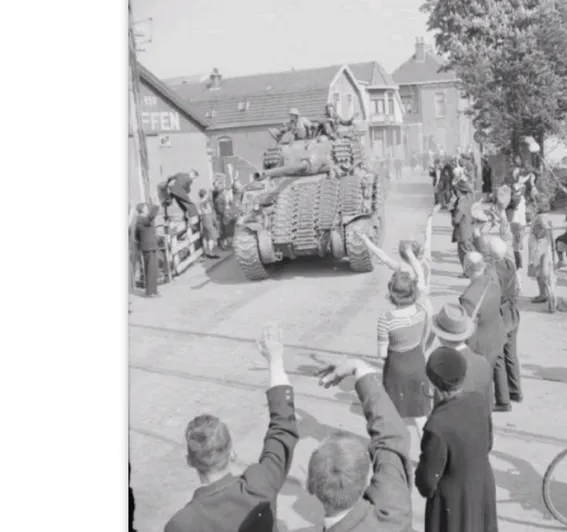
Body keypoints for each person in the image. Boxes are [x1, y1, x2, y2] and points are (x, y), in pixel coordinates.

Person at [164, 323, 299, 532]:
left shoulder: (181, 524)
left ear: (190, 461)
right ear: (232, 452)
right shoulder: (259, 485)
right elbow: (283, 428)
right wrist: (275, 361)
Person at [310, 358, 413, 531]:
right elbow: (391, 436)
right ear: (364, 478)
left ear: (310, 485)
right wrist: (359, 368)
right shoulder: (394, 509)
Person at [416, 347, 498, 532]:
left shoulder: (437, 425)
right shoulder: (479, 401)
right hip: (482, 484)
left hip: (452, 503)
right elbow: (488, 444)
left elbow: (427, 482)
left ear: (434, 384)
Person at [375, 271, 432, 458]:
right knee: (419, 415)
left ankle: (397, 454)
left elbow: (382, 354)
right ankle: (429, 453)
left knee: (393, 415)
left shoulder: (386, 318)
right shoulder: (420, 311)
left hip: (396, 369)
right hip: (417, 363)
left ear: (392, 292)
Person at [429, 302, 492, 408]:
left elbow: (440, 410)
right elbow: (489, 402)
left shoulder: (442, 369)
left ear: (439, 336)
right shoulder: (483, 362)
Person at [486, 236, 522, 412]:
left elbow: (492, 295)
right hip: (512, 311)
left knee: (498, 356)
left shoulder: (492, 272)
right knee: (511, 353)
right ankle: (515, 390)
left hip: (500, 313)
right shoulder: (509, 264)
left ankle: (502, 399)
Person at [459, 251, 506, 370]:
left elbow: (470, 334)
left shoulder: (469, 299)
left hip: (481, 349)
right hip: (496, 338)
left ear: (466, 269)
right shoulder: (493, 283)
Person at [528, 198, 557, 306]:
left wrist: (541, 232)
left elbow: (546, 228)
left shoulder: (540, 217)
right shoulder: (546, 216)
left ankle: (542, 294)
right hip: (543, 245)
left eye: (537, 203)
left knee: (539, 271)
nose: (535, 205)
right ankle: (544, 293)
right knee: (543, 270)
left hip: (538, 246)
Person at [135, 203, 161, 298]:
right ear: (142, 210)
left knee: (153, 269)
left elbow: (137, 235)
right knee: (150, 269)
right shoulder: (142, 219)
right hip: (148, 247)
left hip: (149, 246)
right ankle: (150, 292)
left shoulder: (140, 220)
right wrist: (156, 204)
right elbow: (151, 217)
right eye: (146, 208)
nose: (147, 209)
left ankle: (153, 290)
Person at [451, 180, 475, 277]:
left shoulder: (460, 205)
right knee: (469, 251)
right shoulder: (468, 200)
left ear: (459, 191)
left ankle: (467, 272)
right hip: (469, 229)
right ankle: (471, 270)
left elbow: (456, 220)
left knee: (464, 254)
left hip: (462, 231)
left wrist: (452, 214)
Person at [198, 189, 220, 259]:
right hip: (208, 218)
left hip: (204, 219)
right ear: (204, 194)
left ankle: (206, 252)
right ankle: (211, 253)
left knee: (205, 236)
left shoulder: (200, 202)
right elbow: (209, 208)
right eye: (206, 194)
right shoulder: (205, 202)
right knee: (211, 237)